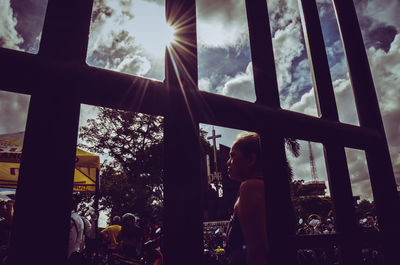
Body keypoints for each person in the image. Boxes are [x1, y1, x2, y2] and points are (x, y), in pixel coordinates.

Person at [225, 132, 268, 265]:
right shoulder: (263, 186)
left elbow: (258, 251)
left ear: (250, 160)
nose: (228, 162)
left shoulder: (250, 187)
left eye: (233, 156)